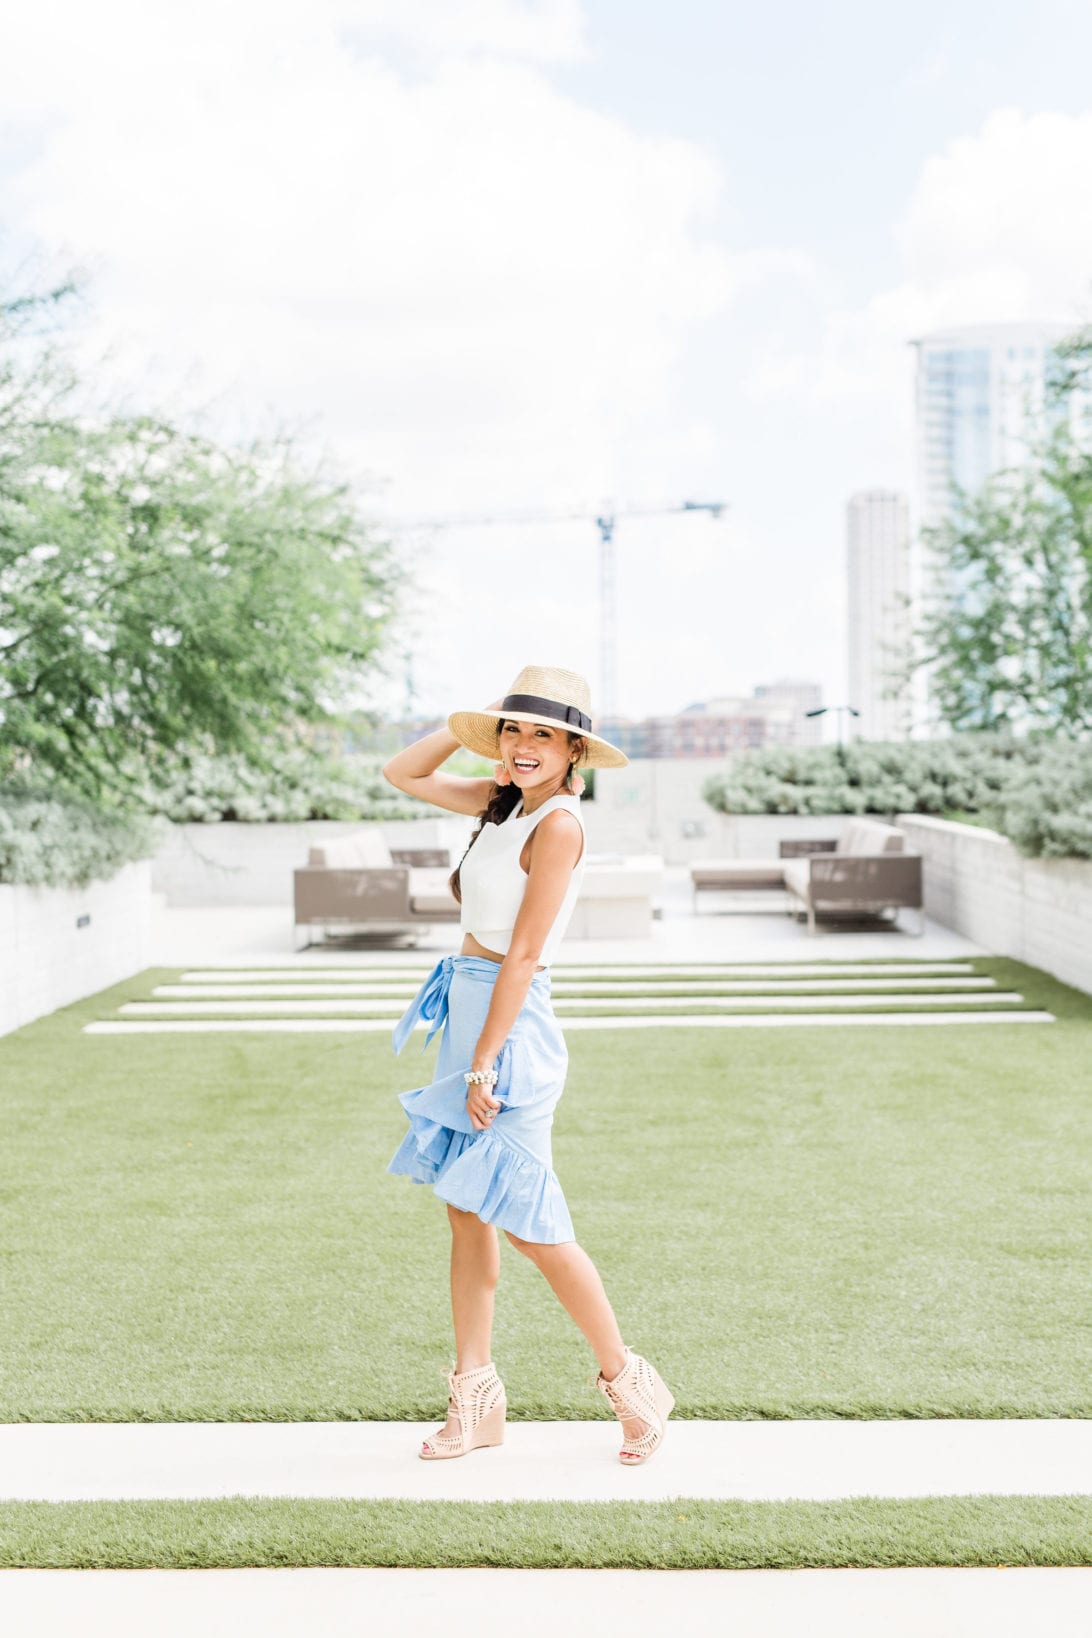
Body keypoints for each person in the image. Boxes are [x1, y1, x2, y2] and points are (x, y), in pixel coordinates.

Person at [383, 664, 674, 1465]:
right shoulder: (499, 802)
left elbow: (526, 955)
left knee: (532, 1225)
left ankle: (631, 1385)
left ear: (574, 748)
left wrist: (483, 1064)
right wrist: (470, 719)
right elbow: (401, 772)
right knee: (465, 1212)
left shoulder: (560, 827)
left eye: (540, 734)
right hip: (470, 1010)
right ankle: (475, 1397)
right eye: (512, 730)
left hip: (508, 1031)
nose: (520, 746)